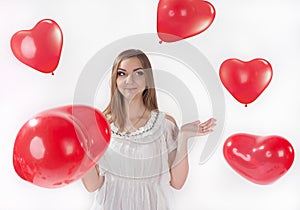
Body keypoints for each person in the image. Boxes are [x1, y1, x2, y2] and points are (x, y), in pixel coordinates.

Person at [82, 49, 216, 210]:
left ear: (148, 79)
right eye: (122, 74)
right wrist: (82, 146)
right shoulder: (101, 125)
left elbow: (177, 182)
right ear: (115, 80)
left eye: (138, 73)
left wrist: (183, 137)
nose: (129, 80)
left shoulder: (164, 124)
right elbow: (92, 185)